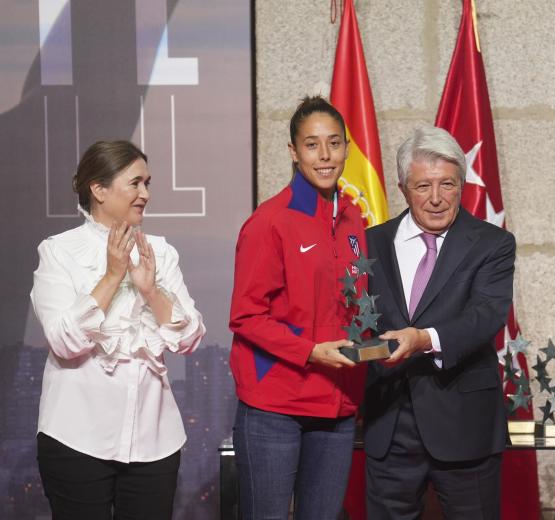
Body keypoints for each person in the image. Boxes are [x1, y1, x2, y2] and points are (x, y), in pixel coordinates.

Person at [31, 140, 206, 519]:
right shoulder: (59, 251)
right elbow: (64, 341)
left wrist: (151, 289)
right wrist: (112, 276)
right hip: (77, 436)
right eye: (135, 183)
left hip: (154, 440)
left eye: (148, 183)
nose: (146, 194)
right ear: (98, 189)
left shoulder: (161, 252)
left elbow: (190, 337)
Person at [363, 126, 515, 519]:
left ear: (462, 184)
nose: (435, 199)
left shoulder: (492, 243)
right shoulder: (369, 243)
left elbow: (487, 315)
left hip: (465, 426)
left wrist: (422, 339)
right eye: (422, 186)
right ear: (402, 187)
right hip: (389, 422)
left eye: (447, 184)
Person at [229, 95, 367, 519]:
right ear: (293, 152)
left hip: (336, 406)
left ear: (346, 147)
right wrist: (308, 350)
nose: (325, 156)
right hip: (276, 405)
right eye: (312, 144)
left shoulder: (354, 220)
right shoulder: (269, 221)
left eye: (334, 143)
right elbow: (246, 316)